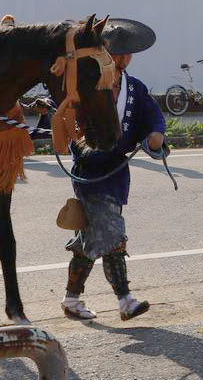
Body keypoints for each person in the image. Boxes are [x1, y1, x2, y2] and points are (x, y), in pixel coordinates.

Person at [60, 18, 166, 322]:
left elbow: (153, 118)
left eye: (126, 54)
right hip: (90, 173)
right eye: (116, 53)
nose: (122, 59)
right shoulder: (90, 84)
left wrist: (155, 136)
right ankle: (125, 300)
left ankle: (70, 300)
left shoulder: (136, 89)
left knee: (90, 240)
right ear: (104, 52)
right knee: (113, 235)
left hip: (117, 173)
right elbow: (70, 121)